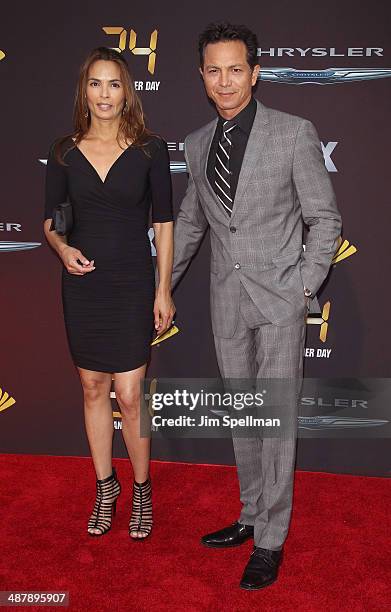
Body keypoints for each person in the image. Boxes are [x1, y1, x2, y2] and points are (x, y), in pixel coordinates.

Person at [171, 23, 342, 589]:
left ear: (255, 72)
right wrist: (159, 286)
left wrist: (304, 285)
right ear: (202, 77)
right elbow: (193, 223)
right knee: (245, 419)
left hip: (280, 302)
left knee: (276, 423)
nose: (225, 81)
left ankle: (271, 538)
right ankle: (249, 514)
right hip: (227, 302)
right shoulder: (197, 145)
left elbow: (325, 218)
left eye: (235, 69)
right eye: (213, 70)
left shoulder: (294, 133)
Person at [43, 47, 175, 539]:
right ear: (85, 91)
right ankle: (106, 486)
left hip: (131, 282)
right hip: (83, 285)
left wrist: (163, 289)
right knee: (93, 387)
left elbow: (163, 222)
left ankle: (141, 488)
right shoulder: (63, 152)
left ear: (127, 91)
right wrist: (61, 248)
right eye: (95, 84)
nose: (104, 94)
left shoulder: (149, 149)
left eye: (113, 84)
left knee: (131, 393)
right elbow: (55, 221)